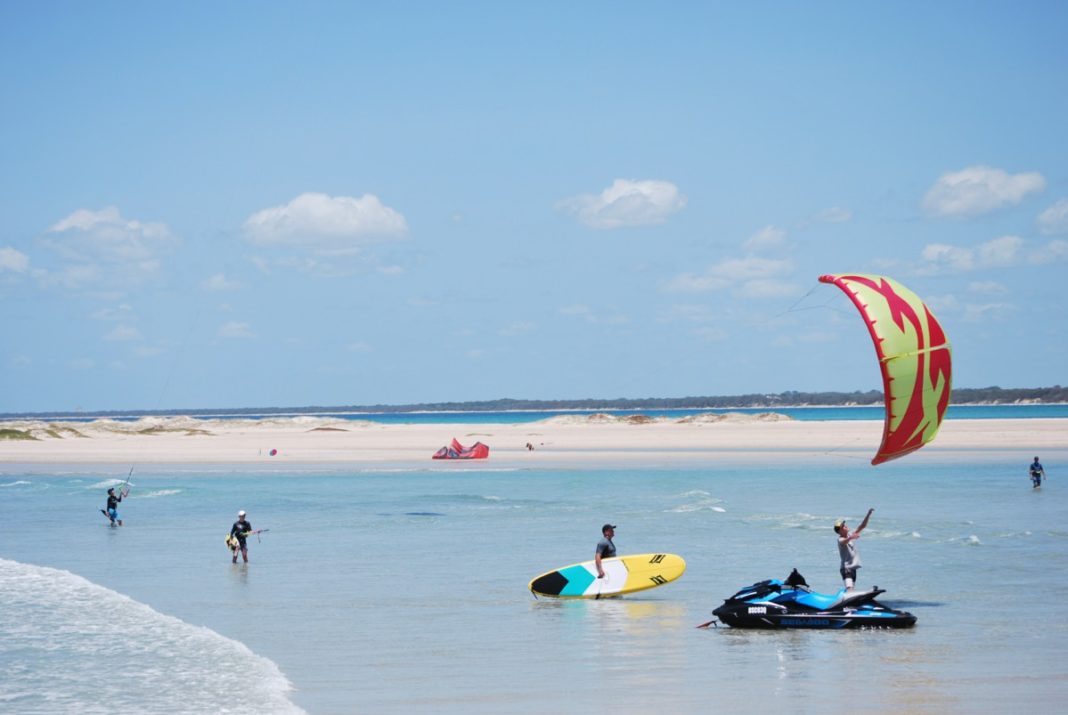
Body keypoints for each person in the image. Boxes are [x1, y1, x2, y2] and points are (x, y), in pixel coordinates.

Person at [833, 508, 873, 591]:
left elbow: (862, 526)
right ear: (840, 531)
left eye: (845, 524)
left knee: (852, 589)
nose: (846, 526)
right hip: (846, 569)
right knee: (850, 588)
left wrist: (868, 514)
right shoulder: (840, 539)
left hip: (853, 569)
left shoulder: (850, 535)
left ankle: (851, 602)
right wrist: (851, 537)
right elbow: (844, 541)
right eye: (843, 526)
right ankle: (845, 600)